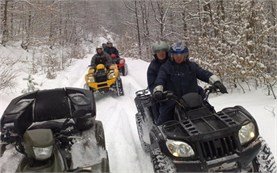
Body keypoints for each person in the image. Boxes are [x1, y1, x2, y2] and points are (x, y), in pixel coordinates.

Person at [153, 42, 227, 125]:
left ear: (186, 55)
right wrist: (158, 91)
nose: (178, 57)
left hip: (193, 99)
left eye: (181, 54)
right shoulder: (166, 67)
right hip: (173, 99)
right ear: (171, 55)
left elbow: (203, 73)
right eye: (176, 54)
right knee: (165, 119)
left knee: (211, 112)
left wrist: (216, 81)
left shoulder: (191, 66)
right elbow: (160, 79)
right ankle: (159, 134)